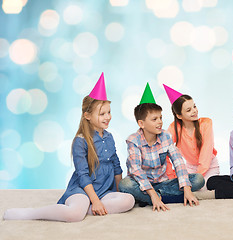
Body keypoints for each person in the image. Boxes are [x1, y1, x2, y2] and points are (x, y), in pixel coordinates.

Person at [3, 73, 135, 222]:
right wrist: (95, 200)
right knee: (75, 215)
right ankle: (31, 213)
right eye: (102, 114)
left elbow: (116, 166)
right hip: (83, 190)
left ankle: (90, 209)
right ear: (87, 116)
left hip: (105, 189)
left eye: (109, 112)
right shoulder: (81, 141)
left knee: (128, 200)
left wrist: (117, 192)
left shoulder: (109, 137)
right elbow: (83, 175)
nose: (108, 117)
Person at [118, 83, 204, 211]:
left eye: (160, 118)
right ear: (141, 123)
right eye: (154, 119)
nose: (160, 122)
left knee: (198, 179)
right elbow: (135, 169)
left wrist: (186, 188)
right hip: (141, 184)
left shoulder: (166, 136)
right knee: (125, 185)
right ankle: (158, 198)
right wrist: (152, 194)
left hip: (164, 183)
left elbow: (178, 161)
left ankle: (147, 198)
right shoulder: (133, 140)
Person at [163, 84, 219, 190]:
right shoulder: (174, 128)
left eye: (194, 106)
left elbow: (205, 156)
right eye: (188, 110)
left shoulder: (206, 123)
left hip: (209, 167)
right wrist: (171, 176)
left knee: (202, 188)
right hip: (189, 169)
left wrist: (191, 181)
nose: (194, 111)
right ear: (179, 115)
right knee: (184, 188)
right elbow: (163, 150)